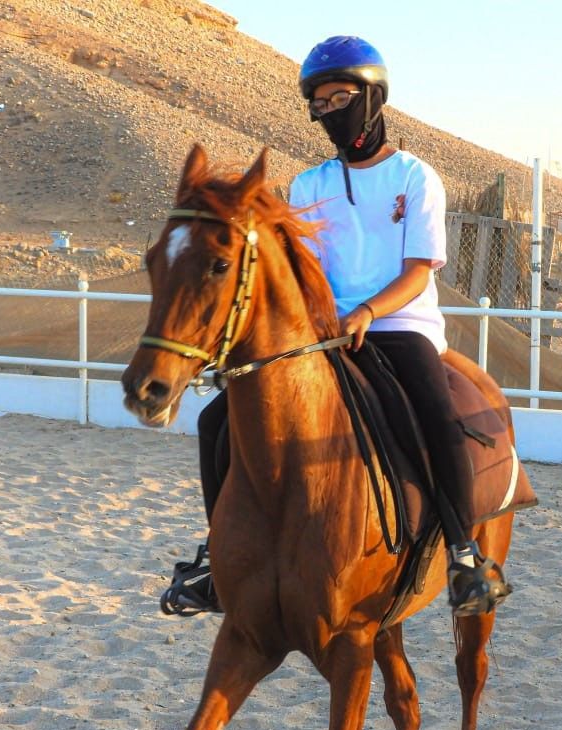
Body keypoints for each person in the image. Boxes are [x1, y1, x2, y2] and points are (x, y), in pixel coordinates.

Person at [164, 35, 511, 618]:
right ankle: (217, 557)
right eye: (319, 104)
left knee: (435, 413)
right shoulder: (310, 185)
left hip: (401, 325)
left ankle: (463, 555)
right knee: (215, 420)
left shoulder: (415, 176)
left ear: (372, 97)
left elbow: (418, 271)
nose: (329, 112)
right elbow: (305, 274)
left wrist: (368, 311)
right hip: (326, 333)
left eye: (340, 99)